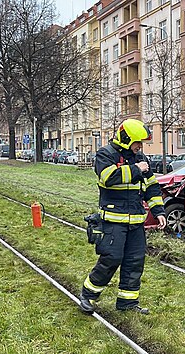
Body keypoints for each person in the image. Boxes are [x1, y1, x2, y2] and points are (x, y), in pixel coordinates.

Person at [79, 119, 167, 315]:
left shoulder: (140, 157)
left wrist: (158, 211)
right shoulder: (105, 154)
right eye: (138, 142)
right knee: (111, 259)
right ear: (127, 139)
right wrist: (137, 169)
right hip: (112, 221)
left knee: (135, 262)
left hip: (136, 222)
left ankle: (127, 303)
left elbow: (152, 186)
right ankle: (88, 295)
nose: (140, 147)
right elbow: (108, 178)